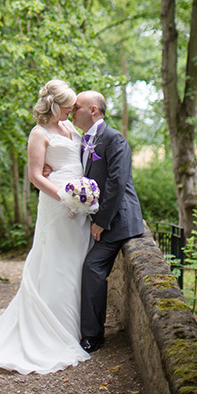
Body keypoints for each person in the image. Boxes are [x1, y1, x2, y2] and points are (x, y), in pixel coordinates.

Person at [0, 79, 92, 374]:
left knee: (75, 263)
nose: (71, 111)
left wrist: (82, 193)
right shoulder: (38, 133)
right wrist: (63, 196)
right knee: (55, 263)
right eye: (67, 107)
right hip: (58, 204)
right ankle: (50, 331)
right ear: (55, 106)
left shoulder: (71, 129)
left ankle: (72, 327)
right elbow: (36, 176)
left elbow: (80, 159)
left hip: (80, 203)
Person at [71, 90, 144, 354]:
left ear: (92, 110)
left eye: (76, 107)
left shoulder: (114, 138)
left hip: (118, 220)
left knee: (92, 267)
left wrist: (101, 222)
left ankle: (93, 336)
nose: (71, 111)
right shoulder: (82, 141)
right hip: (94, 218)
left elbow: (116, 183)